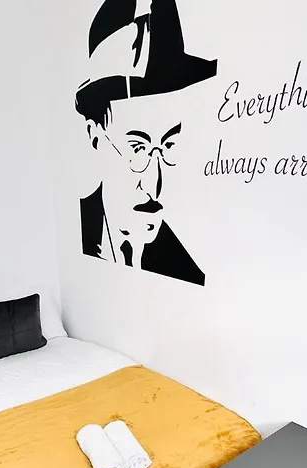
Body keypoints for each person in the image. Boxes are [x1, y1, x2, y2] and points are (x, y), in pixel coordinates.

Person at [75, 0, 217, 286]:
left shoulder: (184, 269)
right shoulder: (80, 227)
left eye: (168, 146)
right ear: (96, 137)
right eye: (137, 149)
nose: (154, 184)